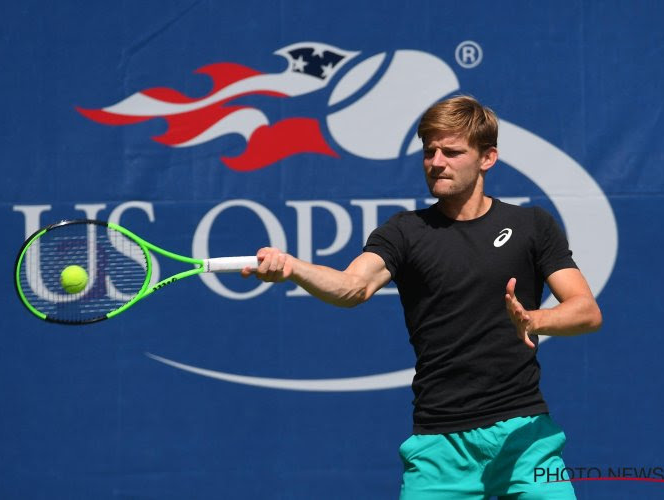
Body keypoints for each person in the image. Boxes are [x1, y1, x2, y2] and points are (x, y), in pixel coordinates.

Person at [242, 95, 602, 499]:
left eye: (451, 152)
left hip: (526, 438)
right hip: (439, 446)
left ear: (487, 159)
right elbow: (352, 287)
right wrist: (292, 267)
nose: (436, 161)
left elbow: (586, 310)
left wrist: (534, 320)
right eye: (429, 151)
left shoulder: (531, 225)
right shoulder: (404, 232)